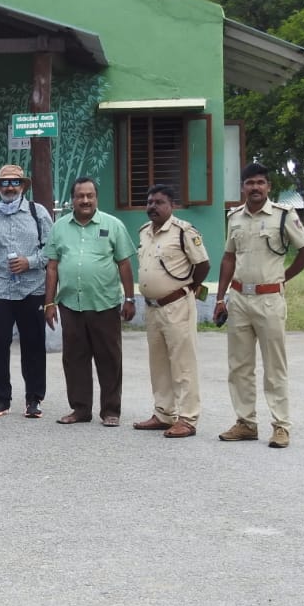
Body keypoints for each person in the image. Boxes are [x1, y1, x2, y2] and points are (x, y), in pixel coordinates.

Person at [214, 162, 304, 448]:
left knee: (275, 366)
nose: (255, 187)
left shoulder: (283, 216)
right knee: (239, 366)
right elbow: (228, 258)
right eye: (250, 183)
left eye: (260, 182)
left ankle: (281, 426)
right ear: (243, 187)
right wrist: (221, 298)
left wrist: (284, 278)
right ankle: (245, 422)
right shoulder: (234, 217)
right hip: (239, 300)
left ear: (268, 187)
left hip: (269, 299)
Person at [43, 176, 135, 425]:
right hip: (71, 304)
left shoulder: (113, 225)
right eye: (80, 196)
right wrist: (49, 303)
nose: (85, 200)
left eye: (89, 196)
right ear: (72, 199)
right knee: (74, 359)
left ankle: (111, 411)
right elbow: (52, 267)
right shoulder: (59, 227)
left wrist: (130, 298)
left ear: (96, 198)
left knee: (110, 358)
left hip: (104, 303)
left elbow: (124, 263)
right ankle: (81, 409)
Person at [0, 163, 53, 419]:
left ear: (23, 186)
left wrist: (29, 262)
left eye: (15, 182)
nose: (10, 187)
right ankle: (1, 399)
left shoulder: (38, 213)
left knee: (33, 345)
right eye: (4, 183)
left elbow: (52, 251)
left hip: (32, 289)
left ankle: (34, 399)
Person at [132, 184, 210, 438]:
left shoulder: (183, 231)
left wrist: (189, 289)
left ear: (171, 206)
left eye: (159, 202)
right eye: (150, 202)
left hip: (177, 305)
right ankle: (164, 413)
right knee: (159, 363)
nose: (153, 206)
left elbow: (202, 264)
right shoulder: (144, 232)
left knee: (183, 362)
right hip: (153, 308)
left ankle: (187, 418)